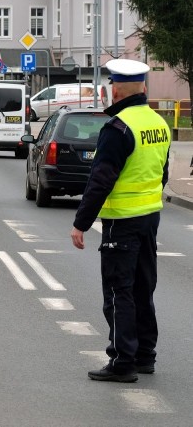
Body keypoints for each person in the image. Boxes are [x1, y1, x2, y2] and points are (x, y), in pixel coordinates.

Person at [71, 58, 171, 383]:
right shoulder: (158, 123)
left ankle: (122, 361)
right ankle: (145, 356)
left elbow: (100, 180)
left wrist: (81, 223)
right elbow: (162, 173)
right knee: (144, 288)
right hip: (150, 218)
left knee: (118, 291)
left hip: (121, 222)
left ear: (114, 90)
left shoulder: (119, 129)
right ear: (143, 87)